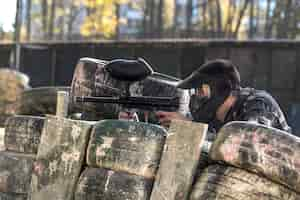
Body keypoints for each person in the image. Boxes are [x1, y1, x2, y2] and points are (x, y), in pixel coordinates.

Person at [156, 59, 291, 136]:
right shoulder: (217, 119)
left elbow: (247, 146)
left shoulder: (258, 104)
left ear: (218, 90)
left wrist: (191, 129)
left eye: (200, 91)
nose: (196, 97)